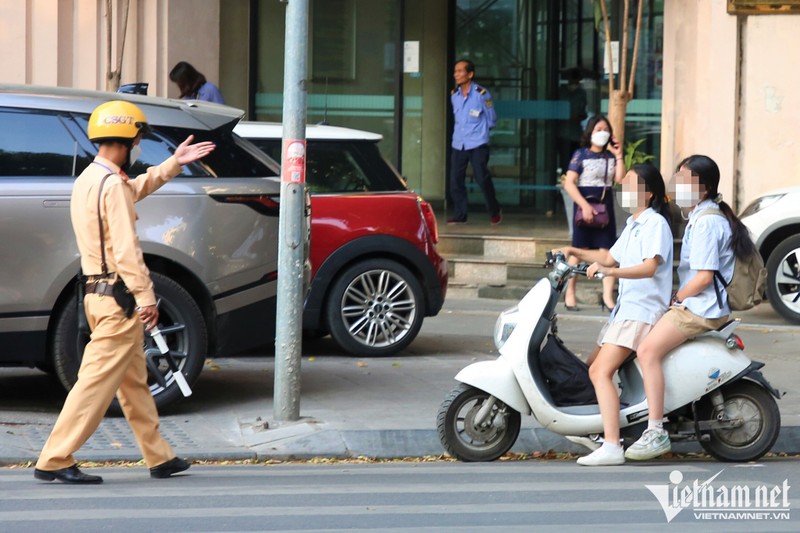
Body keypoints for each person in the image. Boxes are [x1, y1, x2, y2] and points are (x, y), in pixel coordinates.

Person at [34, 100, 216, 484]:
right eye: (138, 140)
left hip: (97, 295)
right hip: (118, 298)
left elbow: (132, 190)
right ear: (129, 138)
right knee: (94, 384)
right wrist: (147, 296)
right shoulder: (112, 184)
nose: (139, 147)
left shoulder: (91, 179)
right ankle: (54, 457)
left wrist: (173, 163)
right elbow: (126, 248)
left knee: (133, 383)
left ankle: (158, 456)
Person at [624, 154, 751, 461]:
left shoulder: (707, 223)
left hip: (700, 309)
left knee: (646, 351)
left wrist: (677, 298)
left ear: (703, 189)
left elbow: (704, 277)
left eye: (684, 181)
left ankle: (655, 431)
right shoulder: (701, 216)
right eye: (677, 178)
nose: (677, 185)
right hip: (697, 304)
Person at [556, 164, 673, 466]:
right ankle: (600, 430)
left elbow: (650, 267)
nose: (624, 189)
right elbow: (608, 255)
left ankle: (611, 445)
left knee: (599, 372)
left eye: (632, 184)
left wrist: (610, 271)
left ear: (648, 194)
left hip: (641, 312)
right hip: (625, 311)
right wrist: (575, 251)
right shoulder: (634, 225)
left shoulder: (655, 224)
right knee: (591, 366)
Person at [562, 115, 625, 311]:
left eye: (606, 129)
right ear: (590, 132)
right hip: (585, 204)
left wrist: (619, 154)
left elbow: (620, 179)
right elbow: (569, 183)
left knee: (608, 252)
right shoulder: (580, 154)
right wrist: (584, 206)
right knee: (578, 251)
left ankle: (607, 297)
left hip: (604, 206)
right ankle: (570, 293)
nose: (602, 133)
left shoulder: (609, 157)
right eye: (598, 129)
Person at [448, 59, 502, 225]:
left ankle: (494, 210)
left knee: (481, 177)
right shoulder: (454, 96)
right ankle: (460, 214)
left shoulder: (481, 94)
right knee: (455, 180)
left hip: (477, 143)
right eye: (455, 71)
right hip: (459, 143)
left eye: (460, 71)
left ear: (470, 74)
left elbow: (492, 118)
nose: (456, 74)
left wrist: (482, 133)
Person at [556, 68, 588, 174]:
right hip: (562, 134)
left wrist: (579, 117)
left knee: (576, 163)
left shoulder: (581, 93)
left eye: (577, 81)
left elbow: (583, 112)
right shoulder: (559, 92)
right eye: (572, 80)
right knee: (565, 163)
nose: (574, 83)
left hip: (576, 134)